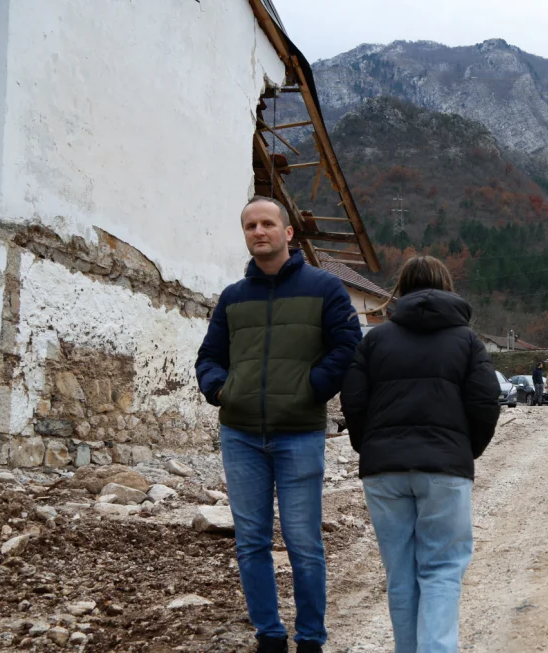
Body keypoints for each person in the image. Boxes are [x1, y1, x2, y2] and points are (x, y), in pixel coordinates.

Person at [195, 196, 361, 653]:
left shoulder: (325, 288)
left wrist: (312, 387)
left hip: (300, 433)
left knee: (304, 542)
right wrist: (221, 390)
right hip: (241, 434)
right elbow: (209, 358)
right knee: (250, 541)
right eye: (250, 225)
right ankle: (269, 636)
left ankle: (310, 638)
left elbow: (347, 344)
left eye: (268, 223)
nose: (258, 231)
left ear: (288, 233)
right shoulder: (232, 298)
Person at [340, 256, 500, 653]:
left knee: (400, 575)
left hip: (383, 470)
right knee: (442, 570)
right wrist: (465, 452)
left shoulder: (374, 339)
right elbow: (486, 403)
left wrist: (371, 448)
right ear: (446, 287)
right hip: (445, 468)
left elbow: (353, 402)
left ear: (400, 290)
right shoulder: (467, 341)